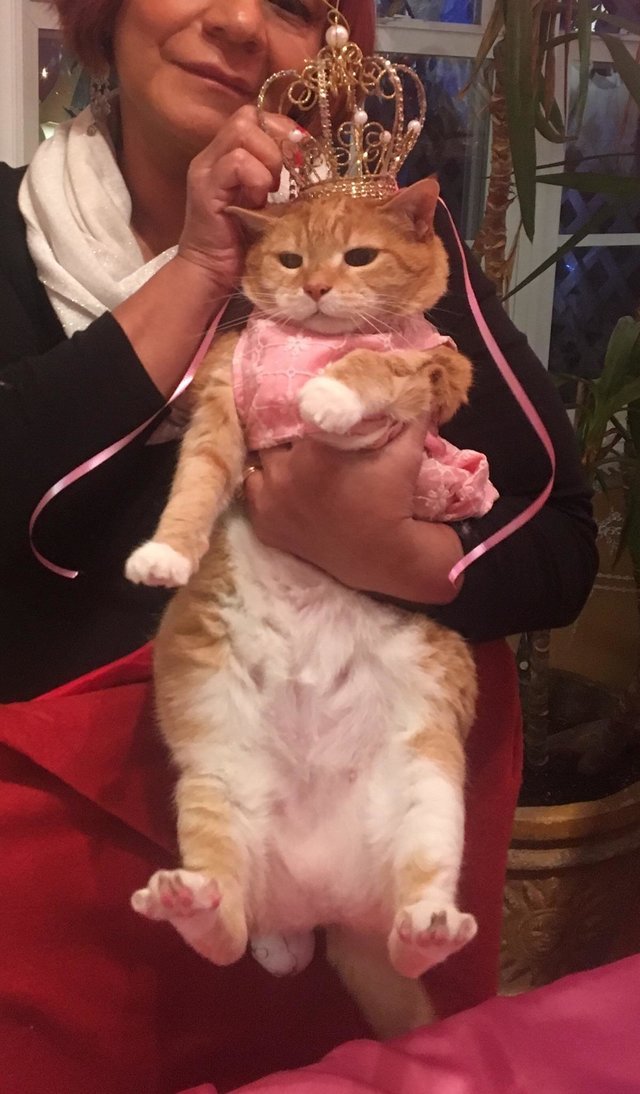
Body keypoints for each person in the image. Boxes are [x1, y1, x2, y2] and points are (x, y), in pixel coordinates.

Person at [0, 2, 597, 1092]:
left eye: (291, 3)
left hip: (368, 838)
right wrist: (198, 266)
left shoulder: (393, 257)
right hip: (67, 889)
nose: (237, 20)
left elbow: (560, 541)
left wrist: (389, 556)